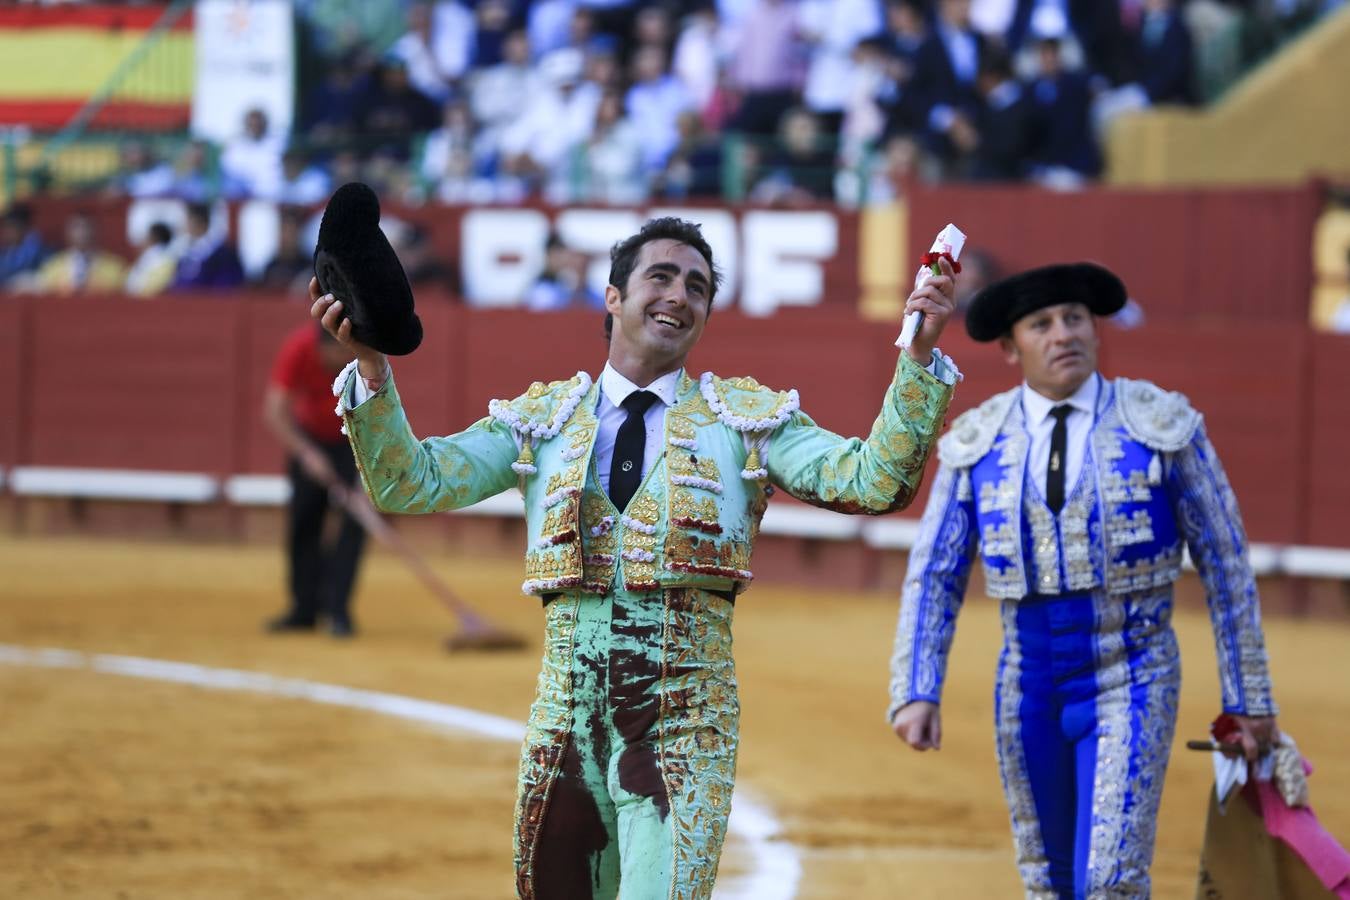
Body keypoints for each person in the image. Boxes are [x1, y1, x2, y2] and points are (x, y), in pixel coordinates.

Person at [318, 216, 960, 898]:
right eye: (661, 276)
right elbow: (408, 481)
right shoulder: (543, 421)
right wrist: (371, 365)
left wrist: (917, 358)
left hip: (684, 726)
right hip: (564, 722)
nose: (680, 296)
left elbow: (873, 481)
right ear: (614, 297)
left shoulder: (747, 424)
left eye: (698, 287)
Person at [887, 262, 1280, 899]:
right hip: (1027, 683)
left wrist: (1251, 696)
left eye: (1074, 318)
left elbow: (1227, 565)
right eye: (1041, 324)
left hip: (1134, 671)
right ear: (1012, 349)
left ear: (1095, 331)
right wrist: (916, 687)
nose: (1063, 333)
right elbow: (935, 571)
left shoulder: (1161, 424)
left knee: (1110, 881)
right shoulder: (978, 441)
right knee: (1047, 880)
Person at [263, 322, 367, 638]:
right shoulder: (299, 347)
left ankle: (338, 612)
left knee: (354, 524)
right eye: (329, 358)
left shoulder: (365, 357)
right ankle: (304, 609)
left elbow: (379, 417)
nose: (333, 365)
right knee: (304, 521)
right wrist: (307, 453)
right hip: (309, 438)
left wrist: (368, 473)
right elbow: (274, 411)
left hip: (356, 441)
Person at [172, 203, 244, 291]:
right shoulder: (184, 252)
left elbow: (226, 286)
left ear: (197, 221)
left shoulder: (222, 253)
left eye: (187, 220)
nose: (183, 225)